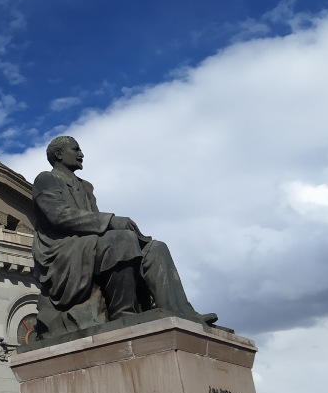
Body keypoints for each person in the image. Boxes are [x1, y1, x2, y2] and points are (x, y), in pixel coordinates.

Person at [31, 135, 217, 338]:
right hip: (62, 249)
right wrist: (110, 221)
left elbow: (94, 225)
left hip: (87, 242)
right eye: (76, 150)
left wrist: (115, 227)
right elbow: (59, 216)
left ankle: (182, 312)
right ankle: (122, 312)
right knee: (121, 240)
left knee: (156, 248)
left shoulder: (86, 187)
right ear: (59, 154)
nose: (81, 154)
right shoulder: (46, 179)